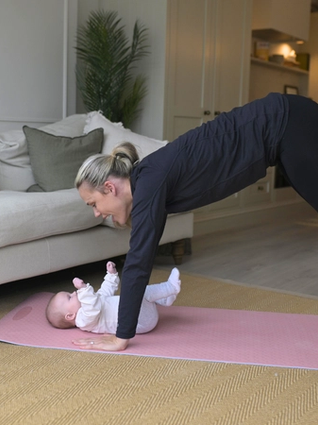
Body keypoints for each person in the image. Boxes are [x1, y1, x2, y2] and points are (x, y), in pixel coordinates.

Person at [72, 92, 318, 351]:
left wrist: (120, 337)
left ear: (109, 188)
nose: (97, 213)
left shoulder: (148, 185)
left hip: (288, 121)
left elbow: (138, 261)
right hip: (286, 122)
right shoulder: (147, 181)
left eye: (93, 204)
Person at [46, 261, 181, 335]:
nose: (74, 293)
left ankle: (165, 299)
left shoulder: (93, 301)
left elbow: (105, 292)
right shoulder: (83, 321)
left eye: (72, 292)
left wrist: (111, 275)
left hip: (139, 315)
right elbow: (92, 308)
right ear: (70, 316)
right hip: (138, 322)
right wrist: (83, 289)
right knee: (138, 292)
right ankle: (170, 288)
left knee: (139, 293)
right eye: (70, 297)